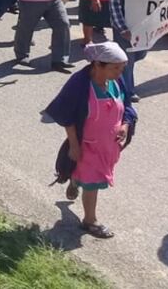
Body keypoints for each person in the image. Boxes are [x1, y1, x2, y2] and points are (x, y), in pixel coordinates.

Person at [43, 41, 137, 239]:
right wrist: (74, 146)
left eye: (122, 68)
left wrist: (125, 125)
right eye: (115, 68)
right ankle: (90, 221)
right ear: (97, 65)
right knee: (94, 183)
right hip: (87, 145)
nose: (120, 73)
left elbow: (127, 106)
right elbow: (67, 115)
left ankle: (75, 181)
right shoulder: (80, 84)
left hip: (109, 146)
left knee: (88, 178)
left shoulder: (117, 82)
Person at [108, 0, 156, 101]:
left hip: (143, 30)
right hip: (125, 29)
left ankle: (114, 78)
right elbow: (114, 7)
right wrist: (122, 29)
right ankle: (128, 91)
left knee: (140, 55)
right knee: (127, 61)